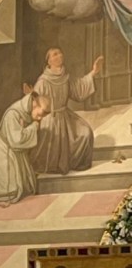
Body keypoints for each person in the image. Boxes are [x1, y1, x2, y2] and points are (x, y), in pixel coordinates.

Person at [31, 47, 103, 175]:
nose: (59, 56)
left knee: (85, 132)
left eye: (59, 53)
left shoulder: (66, 77)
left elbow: (79, 88)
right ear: (48, 61)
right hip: (50, 118)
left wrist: (93, 72)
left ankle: (76, 163)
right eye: (54, 54)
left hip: (65, 115)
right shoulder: (43, 81)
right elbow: (34, 102)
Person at [0, 92, 50, 206]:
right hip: (3, 151)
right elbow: (17, 140)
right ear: (35, 105)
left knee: (26, 186)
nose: (39, 119)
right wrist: (33, 127)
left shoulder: (27, 111)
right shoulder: (13, 114)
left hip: (15, 151)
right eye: (40, 115)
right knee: (10, 191)